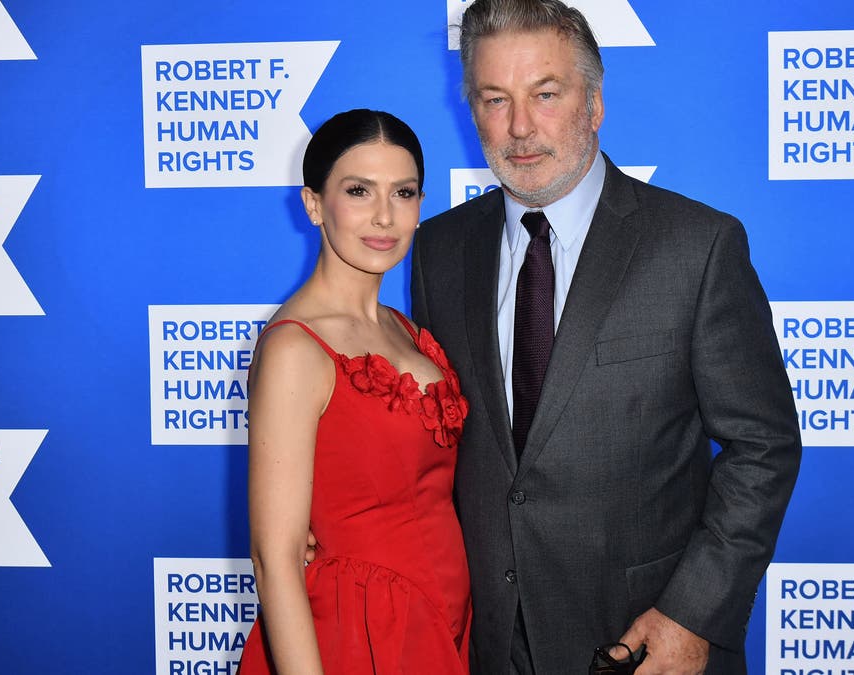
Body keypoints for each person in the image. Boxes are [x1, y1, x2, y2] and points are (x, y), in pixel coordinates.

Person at [409, 1, 802, 673]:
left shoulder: (696, 247)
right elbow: (434, 435)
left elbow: (762, 447)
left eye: (546, 94)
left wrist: (693, 613)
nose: (521, 127)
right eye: (494, 99)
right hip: (483, 644)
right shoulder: (438, 250)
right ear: (470, 109)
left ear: (594, 104)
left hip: (643, 642)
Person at [237, 109, 471, 675]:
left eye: (404, 192)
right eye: (359, 191)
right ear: (315, 204)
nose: (385, 217)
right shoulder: (296, 349)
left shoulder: (410, 331)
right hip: (357, 632)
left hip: (445, 623)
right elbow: (276, 559)